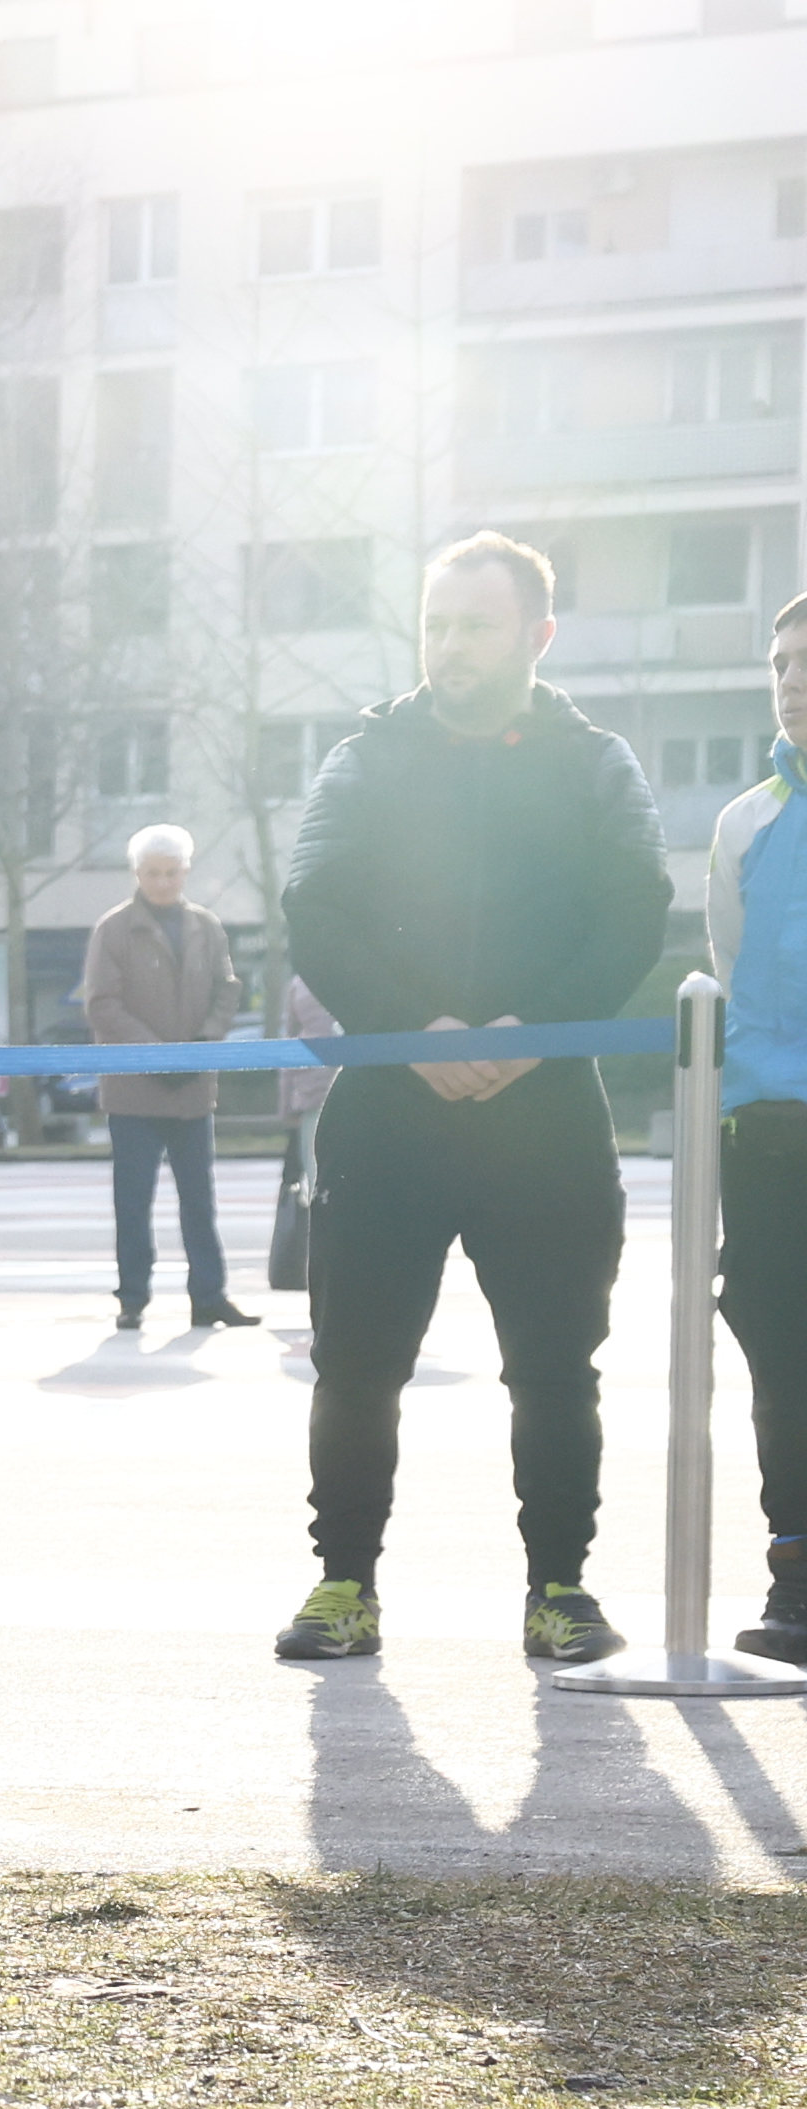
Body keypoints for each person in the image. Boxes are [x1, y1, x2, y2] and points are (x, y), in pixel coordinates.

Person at [271, 529, 661, 1667]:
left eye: (476, 624)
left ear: (536, 635)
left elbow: (633, 909)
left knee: (553, 1366)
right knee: (356, 1363)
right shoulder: (366, 755)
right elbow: (314, 904)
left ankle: (561, 1590)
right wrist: (411, 1033)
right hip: (388, 1106)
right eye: (438, 622)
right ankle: (343, 1583)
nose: (451, 644)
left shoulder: (596, 761)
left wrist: (525, 1034)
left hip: (545, 1116)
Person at [708, 597, 807, 1659]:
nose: (793, 682)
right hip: (769, 1128)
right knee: (782, 1357)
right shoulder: (745, 823)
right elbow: (730, 975)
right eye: (782, 664)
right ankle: (798, 1580)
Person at [80, 826, 255, 1327]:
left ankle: (209, 1297)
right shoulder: (113, 929)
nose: (162, 882)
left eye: (172, 872)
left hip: (193, 1088)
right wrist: (159, 1055)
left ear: (185, 872)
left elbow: (227, 989)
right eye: (153, 873)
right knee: (133, 1202)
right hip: (135, 1091)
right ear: (138, 874)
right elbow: (102, 1004)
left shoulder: (206, 925)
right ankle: (132, 1298)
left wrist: (204, 1042)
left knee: (199, 1200)